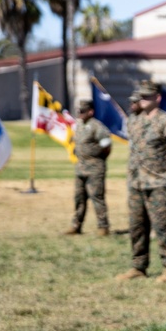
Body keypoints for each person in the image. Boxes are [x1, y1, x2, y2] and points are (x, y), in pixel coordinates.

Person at [116, 80, 166, 283]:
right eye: (141, 96)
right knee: (137, 226)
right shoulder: (133, 121)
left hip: (159, 184)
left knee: (163, 226)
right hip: (137, 182)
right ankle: (139, 266)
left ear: (157, 98)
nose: (143, 100)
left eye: (147, 96)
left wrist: (163, 169)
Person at [65, 99, 112, 236]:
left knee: (97, 197)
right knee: (79, 198)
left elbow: (107, 147)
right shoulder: (78, 125)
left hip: (95, 168)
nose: (80, 114)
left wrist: (97, 158)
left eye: (83, 111)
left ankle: (103, 227)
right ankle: (76, 225)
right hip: (80, 168)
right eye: (79, 111)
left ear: (91, 112)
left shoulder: (98, 127)